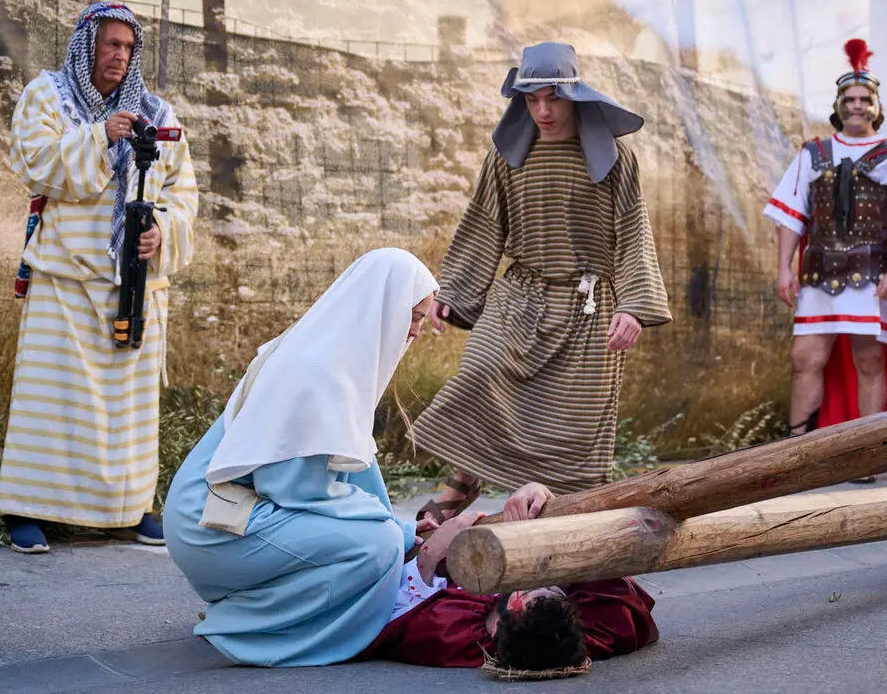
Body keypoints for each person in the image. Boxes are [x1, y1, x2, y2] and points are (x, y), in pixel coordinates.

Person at [411, 42, 672, 521]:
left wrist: (633, 305)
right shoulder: (506, 155)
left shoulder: (615, 159)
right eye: (532, 100)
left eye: (553, 98)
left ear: (574, 95)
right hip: (520, 295)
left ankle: (559, 519)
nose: (544, 110)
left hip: (588, 304)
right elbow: (484, 224)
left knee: (572, 421)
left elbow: (633, 231)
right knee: (479, 372)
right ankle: (463, 481)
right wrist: (456, 293)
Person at [162, 248, 441, 667]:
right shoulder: (317, 371)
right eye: (415, 316)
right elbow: (294, 489)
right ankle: (241, 623)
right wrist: (395, 535)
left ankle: (254, 608)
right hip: (210, 523)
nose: (417, 331)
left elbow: (352, 473)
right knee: (375, 547)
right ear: (382, 308)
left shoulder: (330, 356)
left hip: (221, 511)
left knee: (381, 538)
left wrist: (401, 527)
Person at [0, 1, 197, 552]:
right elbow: (34, 163)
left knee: (123, 413)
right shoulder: (48, 96)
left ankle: (125, 509)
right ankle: (28, 510)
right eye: (110, 44)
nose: (119, 56)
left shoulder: (158, 110)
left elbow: (184, 193)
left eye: (128, 47)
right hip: (64, 279)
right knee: (53, 402)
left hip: (133, 286)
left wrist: (164, 231)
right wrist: (99, 137)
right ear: (87, 45)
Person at [761, 39, 887, 482]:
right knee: (804, 358)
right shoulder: (812, 154)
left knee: (869, 361)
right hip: (817, 276)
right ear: (838, 106)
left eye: (864, 100)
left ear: (876, 106)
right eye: (849, 100)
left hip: (872, 276)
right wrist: (783, 268)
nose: (856, 107)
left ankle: (865, 454)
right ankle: (795, 452)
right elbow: (791, 217)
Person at [359, 484, 659, 680]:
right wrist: (541, 493)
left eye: (536, 587)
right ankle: (469, 481)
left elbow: (383, 614)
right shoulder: (595, 627)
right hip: (492, 546)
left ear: (515, 602)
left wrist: (427, 558)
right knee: (520, 506)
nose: (543, 582)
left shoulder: (444, 633)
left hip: (419, 561)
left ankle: (463, 480)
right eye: (557, 589)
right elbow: (612, 552)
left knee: (424, 522)